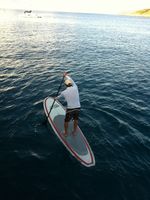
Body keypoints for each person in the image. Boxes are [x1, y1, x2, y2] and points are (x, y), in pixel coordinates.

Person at [55, 72, 81, 137]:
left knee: (66, 121)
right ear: (71, 83)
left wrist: (55, 98)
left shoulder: (64, 92)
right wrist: (66, 75)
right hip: (78, 107)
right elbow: (71, 80)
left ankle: (66, 133)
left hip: (70, 109)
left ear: (65, 85)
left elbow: (57, 98)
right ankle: (74, 132)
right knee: (75, 119)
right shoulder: (75, 87)